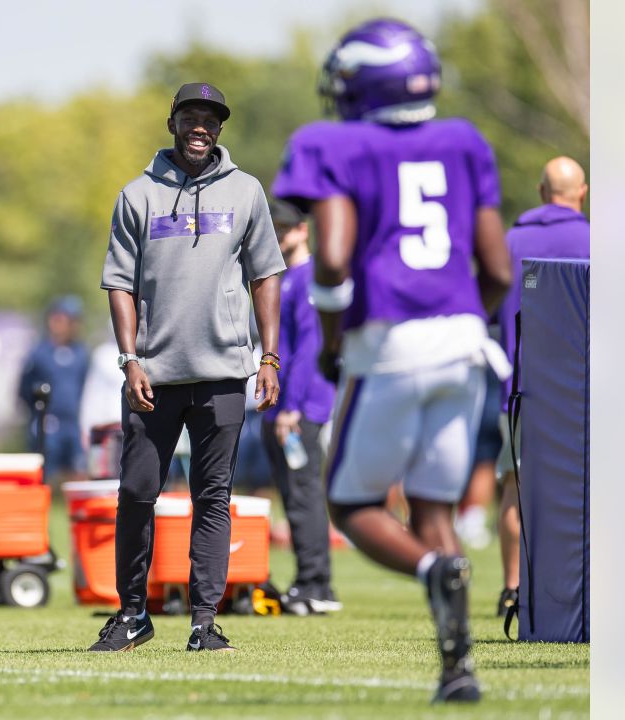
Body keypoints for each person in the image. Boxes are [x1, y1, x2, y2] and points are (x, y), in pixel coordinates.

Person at [272, 19, 512, 702]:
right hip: (465, 343)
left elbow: (337, 256)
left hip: (390, 342)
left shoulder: (331, 143)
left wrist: (333, 337)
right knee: (435, 505)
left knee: (351, 504)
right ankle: (457, 669)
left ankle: (434, 570)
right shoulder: (464, 140)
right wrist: (466, 316)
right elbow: (494, 265)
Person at [90, 82, 285, 653]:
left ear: (220, 129)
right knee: (137, 491)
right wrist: (130, 360)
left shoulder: (247, 192)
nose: (201, 127)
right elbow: (118, 284)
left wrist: (268, 355)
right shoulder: (136, 195)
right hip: (153, 374)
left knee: (213, 495)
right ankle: (131, 615)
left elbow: (265, 275)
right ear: (171, 122)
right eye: (190, 117)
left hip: (224, 370)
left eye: (211, 119)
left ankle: (204, 622)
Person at [492, 156, 590, 616]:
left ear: (539, 190)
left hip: (521, 387)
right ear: (582, 192)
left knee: (516, 487)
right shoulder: (597, 240)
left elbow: (489, 305)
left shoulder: (511, 240)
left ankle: (513, 587)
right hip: (585, 389)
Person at [258, 200, 339, 616]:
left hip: (301, 408)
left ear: (303, 230)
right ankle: (307, 581)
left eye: (286, 229)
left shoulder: (308, 279)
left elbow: (309, 351)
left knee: (305, 495)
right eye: (275, 229)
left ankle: (317, 585)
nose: (280, 235)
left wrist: (291, 408)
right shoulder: (285, 279)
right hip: (280, 407)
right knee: (292, 496)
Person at [18, 296, 90, 483]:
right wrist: (38, 413)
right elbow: (23, 389)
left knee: (78, 470)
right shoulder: (39, 353)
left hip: (72, 423)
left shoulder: (80, 353)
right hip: (48, 422)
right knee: (46, 472)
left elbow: (84, 386)